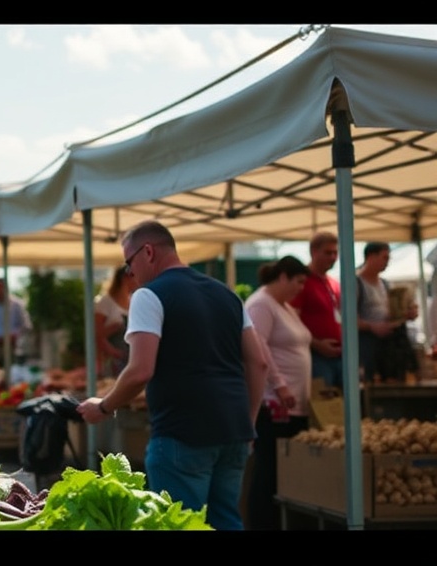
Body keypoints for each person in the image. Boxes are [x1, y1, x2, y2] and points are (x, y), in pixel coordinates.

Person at [76, 220, 268, 531]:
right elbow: (258, 363)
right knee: (226, 521)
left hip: (182, 433)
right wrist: (249, 422)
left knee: (177, 524)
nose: (130, 273)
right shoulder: (228, 295)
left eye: (129, 263)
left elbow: (140, 370)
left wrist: (104, 406)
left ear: (148, 252)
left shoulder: (148, 295)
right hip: (234, 430)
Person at [244, 255, 312, 531]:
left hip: (294, 404)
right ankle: (262, 524)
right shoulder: (261, 304)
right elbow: (258, 348)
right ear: (283, 276)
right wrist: (280, 383)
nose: (301, 288)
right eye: (298, 282)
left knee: (284, 473)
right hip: (274, 404)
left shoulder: (284, 307)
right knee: (269, 471)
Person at [356, 241, 418, 383]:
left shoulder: (385, 284)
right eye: (384, 258)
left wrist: (405, 314)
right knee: (372, 381)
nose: (387, 262)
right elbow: (349, 319)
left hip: (388, 345)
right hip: (368, 344)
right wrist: (372, 327)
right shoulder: (356, 283)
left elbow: (392, 313)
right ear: (371, 257)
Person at [289, 231, 343, 389]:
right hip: (316, 356)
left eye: (335, 253)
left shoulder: (333, 283)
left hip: (339, 355)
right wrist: (317, 344)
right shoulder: (302, 282)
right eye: (328, 253)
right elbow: (291, 320)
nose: (333, 257)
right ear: (314, 252)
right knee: (322, 400)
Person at [94, 265, 137, 378]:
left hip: (130, 359)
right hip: (112, 362)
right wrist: (114, 352)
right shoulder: (104, 302)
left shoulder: (133, 301)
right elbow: (96, 334)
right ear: (125, 278)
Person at [0, 277, 31, 368]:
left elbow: (25, 325)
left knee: (12, 368)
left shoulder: (17, 305)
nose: (0, 290)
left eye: (2, 287)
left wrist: (14, 336)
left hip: (12, 345)